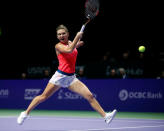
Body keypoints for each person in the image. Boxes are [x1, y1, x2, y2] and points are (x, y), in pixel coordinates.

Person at [17, 24, 117, 125]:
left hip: (71, 78)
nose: (61, 35)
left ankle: (106, 116)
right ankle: (25, 113)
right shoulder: (58, 46)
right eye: (59, 34)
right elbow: (69, 50)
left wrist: (78, 42)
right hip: (60, 76)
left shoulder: (70, 43)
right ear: (57, 36)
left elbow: (74, 46)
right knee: (43, 97)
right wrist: (77, 38)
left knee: (90, 96)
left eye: (63, 33)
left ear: (68, 34)